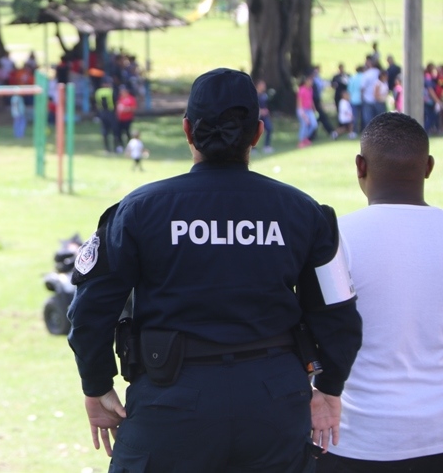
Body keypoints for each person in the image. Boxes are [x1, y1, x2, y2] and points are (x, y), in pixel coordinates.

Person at [67, 68, 362, 472]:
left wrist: (97, 384)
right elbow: (337, 313)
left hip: (168, 408)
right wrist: (329, 386)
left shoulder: (138, 211)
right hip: (273, 408)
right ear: (257, 133)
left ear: (187, 130)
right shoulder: (304, 212)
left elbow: (90, 310)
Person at [316, 112, 443, 473]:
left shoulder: (337, 238)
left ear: (360, 166)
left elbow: (319, 332)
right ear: (429, 167)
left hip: (355, 438)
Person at [95, 79, 121, 153]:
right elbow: (116, 101)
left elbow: (97, 103)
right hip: (111, 112)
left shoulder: (98, 92)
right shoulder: (111, 91)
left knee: (105, 131)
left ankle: (106, 149)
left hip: (102, 113)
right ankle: (116, 147)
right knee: (115, 131)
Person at [297, 74, 318, 148]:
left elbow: (311, 100)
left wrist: (314, 109)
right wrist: (302, 112)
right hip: (303, 110)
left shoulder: (310, 89)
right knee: (304, 125)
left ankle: (305, 138)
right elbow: (299, 101)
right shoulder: (301, 89)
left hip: (309, 110)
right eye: (310, 81)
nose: (311, 82)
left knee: (314, 124)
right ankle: (301, 141)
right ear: (306, 81)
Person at [255, 78, 274, 153]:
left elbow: (266, 105)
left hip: (265, 116)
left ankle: (266, 146)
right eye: (262, 85)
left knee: (269, 128)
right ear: (258, 85)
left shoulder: (264, 95)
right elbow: (253, 106)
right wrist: (260, 111)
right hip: (257, 116)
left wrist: (266, 111)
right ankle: (253, 148)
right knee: (255, 132)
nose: (264, 86)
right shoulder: (254, 95)